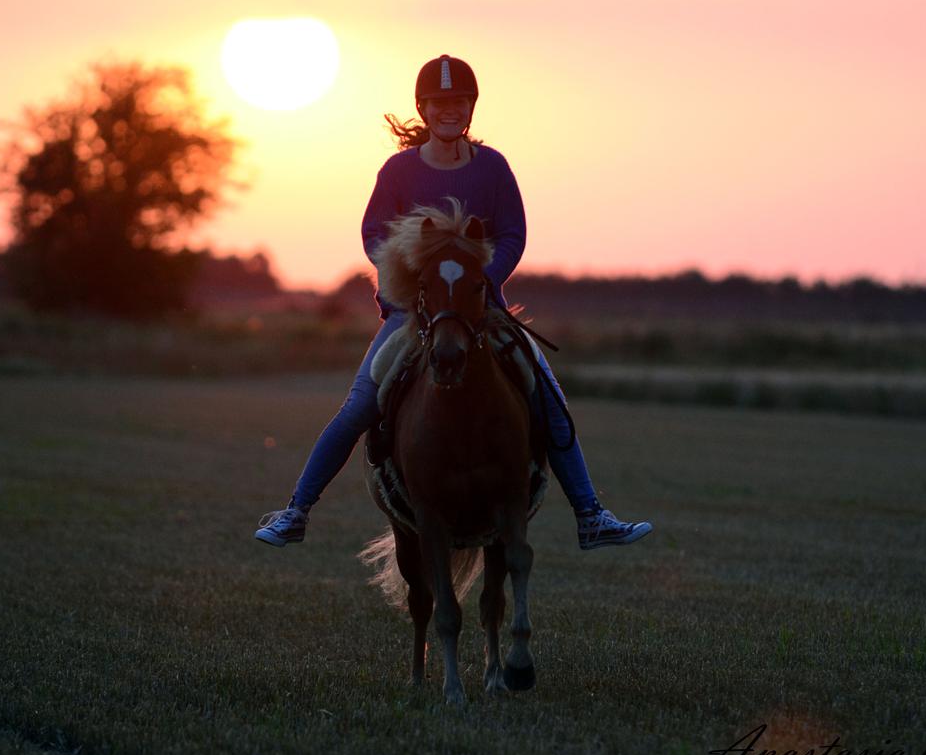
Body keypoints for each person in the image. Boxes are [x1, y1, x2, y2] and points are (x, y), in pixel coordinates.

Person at [256, 54, 652, 550]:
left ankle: (591, 515)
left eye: (459, 100)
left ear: (471, 107)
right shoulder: (398, 170)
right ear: (422, 108)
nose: (450, 109)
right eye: (440, 102)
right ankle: (297, 510)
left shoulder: (493, 168)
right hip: (411, 314)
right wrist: (406, 280)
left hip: (481, 307)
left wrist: (482, 279)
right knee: (359, 405)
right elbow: (375, 233)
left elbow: (512, 233)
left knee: (550, 400)